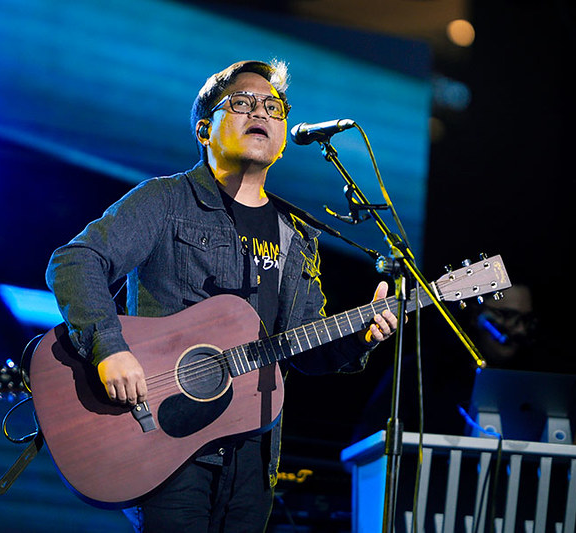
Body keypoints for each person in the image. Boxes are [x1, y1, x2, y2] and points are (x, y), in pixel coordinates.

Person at [45, 59, 399, 533]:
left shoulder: (297, 236)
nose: (261, 111)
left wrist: (362, 335)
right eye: (242, 102)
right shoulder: (166, 201)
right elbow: (75, 260)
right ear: (204, 131)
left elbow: (302, 351)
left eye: (273, 106)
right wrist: (109, 348)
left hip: (254, 454)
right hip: (165, 443)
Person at [353, 283, 539, 440]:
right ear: (475, 313)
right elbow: (367, 440)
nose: (520, 330)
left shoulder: (530, 382)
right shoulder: (419, 370)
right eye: (507, 315)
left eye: (525, 320)